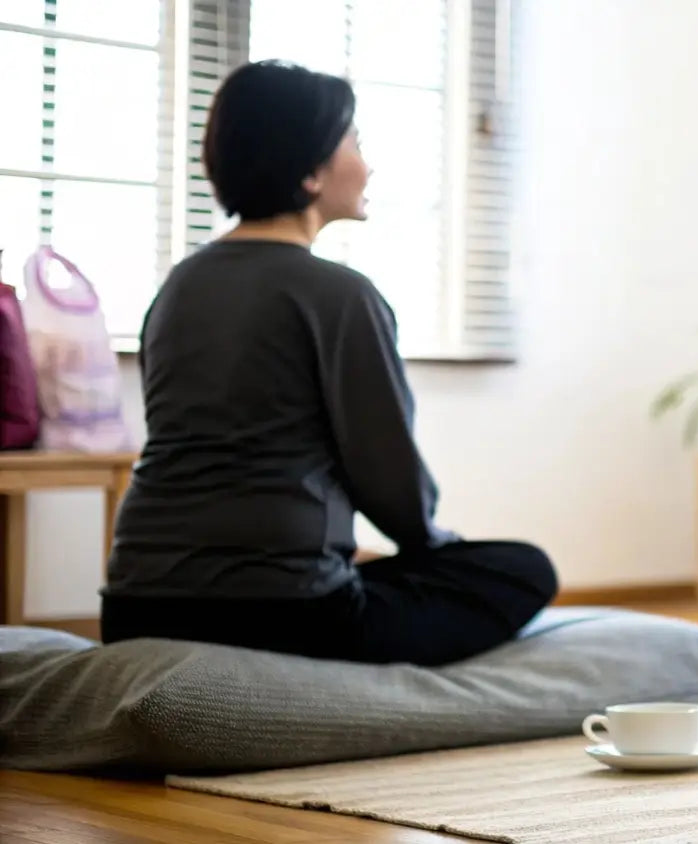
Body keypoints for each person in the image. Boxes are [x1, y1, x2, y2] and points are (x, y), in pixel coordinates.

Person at [99, 60, 557, 666]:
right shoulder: (340, 295)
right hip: (286, 615)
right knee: (524, 568)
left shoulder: (179, 286)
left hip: (135, 606)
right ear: (312, 173)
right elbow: (388, 477)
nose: (367, 165)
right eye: (355, 143)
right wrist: (431, 546)